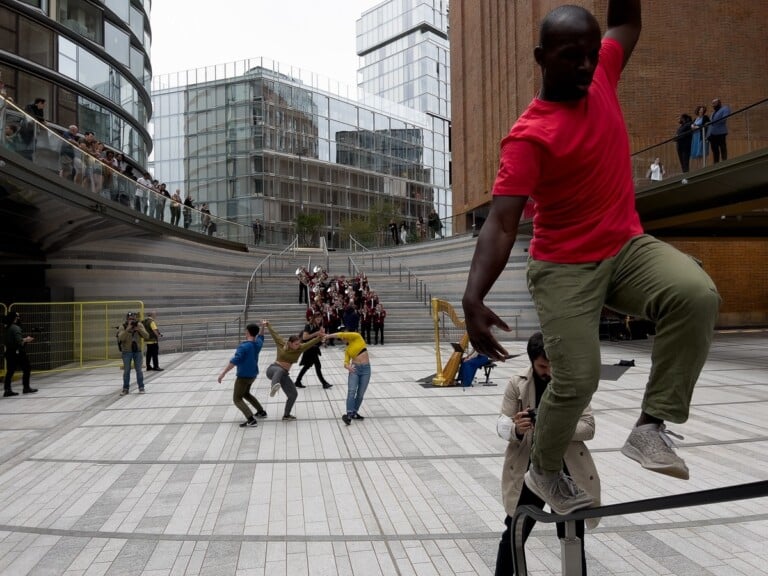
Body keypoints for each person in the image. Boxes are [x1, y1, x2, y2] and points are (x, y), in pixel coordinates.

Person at [462, 1, 720, 516]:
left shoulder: (601, 68)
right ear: (542, 57)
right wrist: (473, 297)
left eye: (588, 55)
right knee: (577, 377)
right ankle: (546, 466)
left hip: (625, 246)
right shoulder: (529, 136)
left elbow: (626, 23)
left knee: (697, 294)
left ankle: (650, 426)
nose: (585, 66)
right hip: (563, 267)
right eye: (570, 57)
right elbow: (501, 221)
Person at [494, 332, 600, 575]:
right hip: (529, 472)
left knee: (572, 536)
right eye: (543, 365)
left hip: (566, 471)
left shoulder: (571, 382)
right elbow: (501, 423)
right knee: (514, 533)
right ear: (532, 361)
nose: (549, 371)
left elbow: (589, 427)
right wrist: (516, 429)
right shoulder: (516, 382)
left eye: (553, 365)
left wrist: (550, 423)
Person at [263, 321, 322, 420]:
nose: (298, 345)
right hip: (272, 370)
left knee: (293, 394)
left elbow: (310, 342)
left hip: (284, 375)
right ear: (290, 343)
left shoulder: (300, 348)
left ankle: (286, 415)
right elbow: (275, 335)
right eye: (296, 344)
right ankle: (274, 387)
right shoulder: (282, 344)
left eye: (299, 344)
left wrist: (319, 337)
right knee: (280, 370)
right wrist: (268, 325)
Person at [218, 322, 268, 427]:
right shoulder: (257, 344)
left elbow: (234, 361)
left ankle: (251, 419)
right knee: (245, 394)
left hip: (243, 377)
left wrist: (223, 373)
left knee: (237, 399)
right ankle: (261, 412)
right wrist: (263, 326)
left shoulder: (243, 346)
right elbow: (261, 336)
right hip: (253, 375)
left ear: (247, 332)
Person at [326, 328, 371, 425]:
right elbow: (346, 362)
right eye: (342, 338)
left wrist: (328, 336)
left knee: (360, 394)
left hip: (366, 370)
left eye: (344, 336)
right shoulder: (347, 349)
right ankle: (349, 415)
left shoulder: (357, 337)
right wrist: (347, 366)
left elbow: (341, 333)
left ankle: (354, 412)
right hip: (354, 369)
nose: (343, 338)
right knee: (351, 391)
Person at [295, 312, 332, 389]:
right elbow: (305, 337)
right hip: (309, 349)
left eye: (320, 318)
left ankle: (298, 381)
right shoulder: (308, 325)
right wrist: (317, 333)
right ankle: (324, 383)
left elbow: (319, 337)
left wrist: (323, 339)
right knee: (317, 365)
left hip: (314, 349)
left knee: (307, 366)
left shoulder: (318, 326)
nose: (319, 319)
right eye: (317, 318)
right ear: (314, 318)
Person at [3, 311, 37, 396]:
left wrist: (23, 340)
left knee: (10, 371)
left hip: (9, 352)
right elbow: (19, 342)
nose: (19, 318)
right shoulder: (16, 328)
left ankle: (7, 390)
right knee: (27, 368)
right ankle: (26, 388)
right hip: (18, 352)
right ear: (15, 318)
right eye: (17, 316)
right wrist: (27, 339)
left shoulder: (7, 327)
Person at [117, 312, 149, 395]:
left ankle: (141, 388)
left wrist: (139, 329)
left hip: (137, 351)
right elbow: (121, 338)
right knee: (127, 371)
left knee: (139, 370)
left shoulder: (139, 325)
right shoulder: (123, 326)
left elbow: (147, 336)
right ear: (127, 319)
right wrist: (127, 329)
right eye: (130, 319)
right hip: (126, 352)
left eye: (133, 319)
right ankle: (125, 389)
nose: (132, 320)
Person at [709, 98, 731, 163]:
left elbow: (724, 118)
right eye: (712, 104)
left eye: (714, 103)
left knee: (722, 148)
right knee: (714, 150)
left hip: (721, 132)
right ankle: (716, 163)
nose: (713, 105)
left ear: (719, 103)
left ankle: (724, 162)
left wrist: (713, 122)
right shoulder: (713, 113)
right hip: (712, 134)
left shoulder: (725, 109)